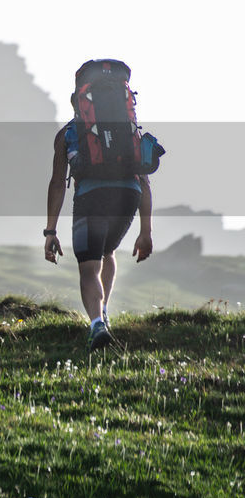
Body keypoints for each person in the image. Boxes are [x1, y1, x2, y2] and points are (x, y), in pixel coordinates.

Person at [44, 83, 153, 351]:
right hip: (129, 195)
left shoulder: (68, 133)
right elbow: (145, 182)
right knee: (108, 250)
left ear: (77, 103)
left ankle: (96, 323)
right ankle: (103, 312)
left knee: (89, 265)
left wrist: (50, 231)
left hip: (92, 199)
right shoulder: (128, 132)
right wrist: (146, 231)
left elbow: (58, 183)